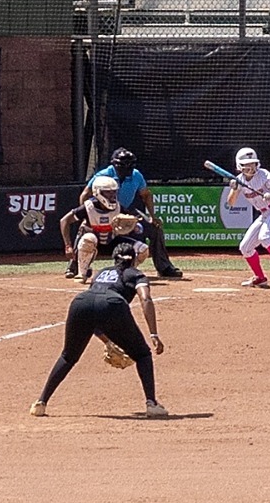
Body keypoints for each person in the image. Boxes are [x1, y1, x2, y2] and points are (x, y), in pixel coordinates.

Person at [30, 238, 166, 418]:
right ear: (133, 259)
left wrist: (107, 341)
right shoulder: (136, 274)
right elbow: (145, 299)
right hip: (113, 304)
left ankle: (41, 403)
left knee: (68, 356)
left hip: (80, 302)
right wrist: (154, 333)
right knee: (142, 354)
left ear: (114, 259)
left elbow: (94, 309)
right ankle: (151, 404)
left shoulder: (101, 273)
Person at [60, 148, 185, 280]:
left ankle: (164, 267)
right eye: (123, 165)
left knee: (155, 228)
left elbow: (146, 194)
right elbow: (86, 193)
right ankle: (74, 266)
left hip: (125, 210)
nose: (127, 168)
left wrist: (153, 217)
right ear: (115, 164)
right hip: (101, 209)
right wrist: (87, 216)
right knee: (85, 230)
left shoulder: (136, 175)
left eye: (130, 165)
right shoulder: (103, 175)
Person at [226, 146, 270, 288]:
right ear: (239, 166)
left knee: (265, 237)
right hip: (264, 213)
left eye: (252, 164)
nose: (250, 167)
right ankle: (260, 277)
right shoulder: (239, 181)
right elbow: (230, 203)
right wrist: (234, 188)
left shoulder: (264, 175)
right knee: (245, 247)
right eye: (246, 165)